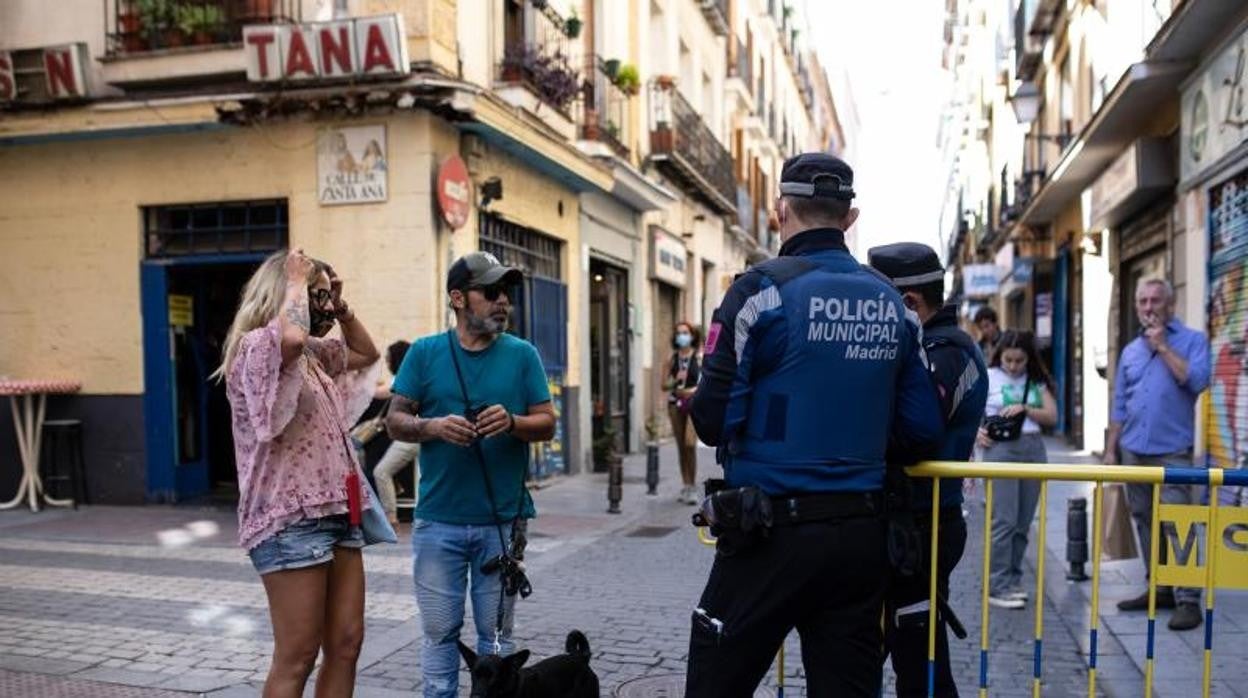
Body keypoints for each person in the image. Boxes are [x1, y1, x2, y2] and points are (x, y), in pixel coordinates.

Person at [687, 153, 944, 697]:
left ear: (782, 209)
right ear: (850, 219)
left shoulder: (758, 292)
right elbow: (923, 430)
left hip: (768, 534)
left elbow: (711, 419)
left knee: (715, 678)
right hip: (860, 540)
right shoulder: (894, 305)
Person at [384, 252, 557, 698]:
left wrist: (514, 423)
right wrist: (434, 427)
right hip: (438, 521)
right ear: (459, 298)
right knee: (440, 634)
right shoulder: (424, 353)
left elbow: (549, 423)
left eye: (507, 294)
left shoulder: (523, 355)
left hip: (501, 522)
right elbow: (395, 420)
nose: (503, 302)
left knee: (496, 642)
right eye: (491, 292)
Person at [215, 249, 381, 697]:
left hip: (337, 511)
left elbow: (366, 352)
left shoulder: (311, 353)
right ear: (286, 293)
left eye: (325, 299)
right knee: (298, 655)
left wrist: (340, 308)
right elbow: (288, 338)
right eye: (317, 297)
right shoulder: (259, 346)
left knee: (346, 644)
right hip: (287, 520)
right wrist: (295, 281)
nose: (322, 307)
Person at [869, 243, 989, 698]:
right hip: (916, 521)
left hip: (924, 525)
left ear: (909, 304)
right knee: (913, 651)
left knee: (916, 659)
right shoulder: (934, 345)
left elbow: (915, 430)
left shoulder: (946, 351)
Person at [1106, 277, 1210, 631]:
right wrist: (1110, 451)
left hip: (1173, 452)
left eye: (1155, 301)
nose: (1148, 308)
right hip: (1134, 450)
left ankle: (1188, 600)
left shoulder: (1193, 341)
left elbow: (1197, 381)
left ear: (1171, 304)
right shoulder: (1130, 351)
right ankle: (1160, 587)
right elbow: (1119, 403)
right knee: (1145, 521)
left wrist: (1163, 346)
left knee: (1178, 524)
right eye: (1142, 302)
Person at [976, 330, 1057, 610]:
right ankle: (997, 584)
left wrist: (1025, 407)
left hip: (1033, 449)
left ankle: (1012, 580)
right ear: (1000, 355)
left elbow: (1052, 415)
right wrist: (976, 432)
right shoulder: (987, 375)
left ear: (1028, 358)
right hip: (1002, 449)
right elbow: (967, 409)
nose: (1012, 366)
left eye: (1019, 361)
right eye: (1008, 360)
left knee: (1023, 524)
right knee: (1004, 521)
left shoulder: (1034, 380)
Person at [370, 340, 419, 526]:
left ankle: (390, 517)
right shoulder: (416, 375)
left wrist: (358, 382)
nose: (387, 363)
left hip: (414, 436)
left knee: (381, 472)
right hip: (425, 434)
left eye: (388, 359)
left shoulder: (402, 378)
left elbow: (378, 393)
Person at [663, 321, 702, 504]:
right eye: (679, 333)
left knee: (689, 444)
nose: (682, 336)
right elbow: (664, 385)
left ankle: (693, 486)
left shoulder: (699, 357)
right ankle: (685, 484)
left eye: (685, 332)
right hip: (675, 404)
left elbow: (706, 382)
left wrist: (694, 391)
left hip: (693, 404)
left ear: (692, 335)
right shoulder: (672, 359)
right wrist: (674, 381)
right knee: (680, 446)